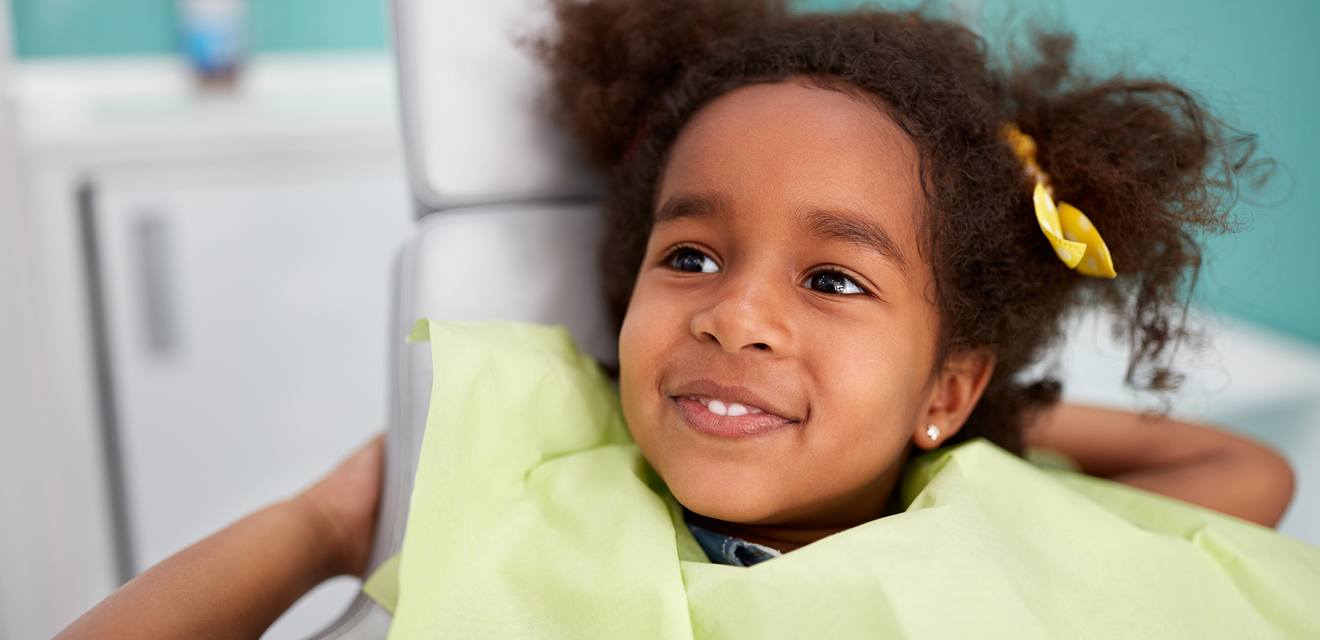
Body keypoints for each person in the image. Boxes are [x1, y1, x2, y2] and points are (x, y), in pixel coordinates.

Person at [58, 0, 1295, 636]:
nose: (735, 316)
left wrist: (979, 425)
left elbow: (1245, 471)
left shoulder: (993, 511)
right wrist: (329, 521)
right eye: (691, 253)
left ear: (948, 387)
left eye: (833, 279)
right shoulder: (542, 480)